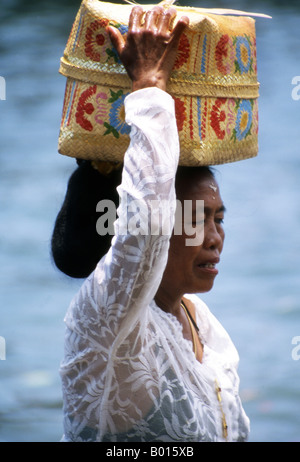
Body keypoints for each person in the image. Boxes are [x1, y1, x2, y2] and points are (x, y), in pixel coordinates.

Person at [57, 5, 250, 442]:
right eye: (199, 219)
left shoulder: (200, 321)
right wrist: (148, 87)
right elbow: (143, 229)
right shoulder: (110, 317)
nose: (216, 238)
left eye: (219, 219)